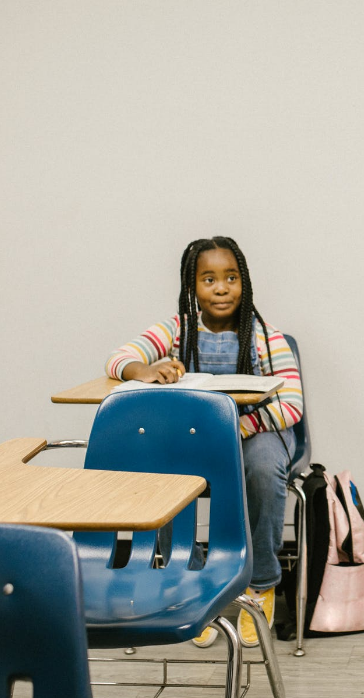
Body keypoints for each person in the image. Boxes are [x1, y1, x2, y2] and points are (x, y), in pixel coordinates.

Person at [105, 236, 304, 649]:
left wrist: (234, 431)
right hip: (194, 441)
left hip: (256, 434)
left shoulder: (267, 337)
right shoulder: (176, 330)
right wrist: (144, 370)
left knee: (264, 467)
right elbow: (117, 358)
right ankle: (188, 582)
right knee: (164, 471)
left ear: (244, 283)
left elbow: (292, 407)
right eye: (209, 279)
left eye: (231, 277)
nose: (221, 287)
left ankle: (260, 583)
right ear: (191, 287)